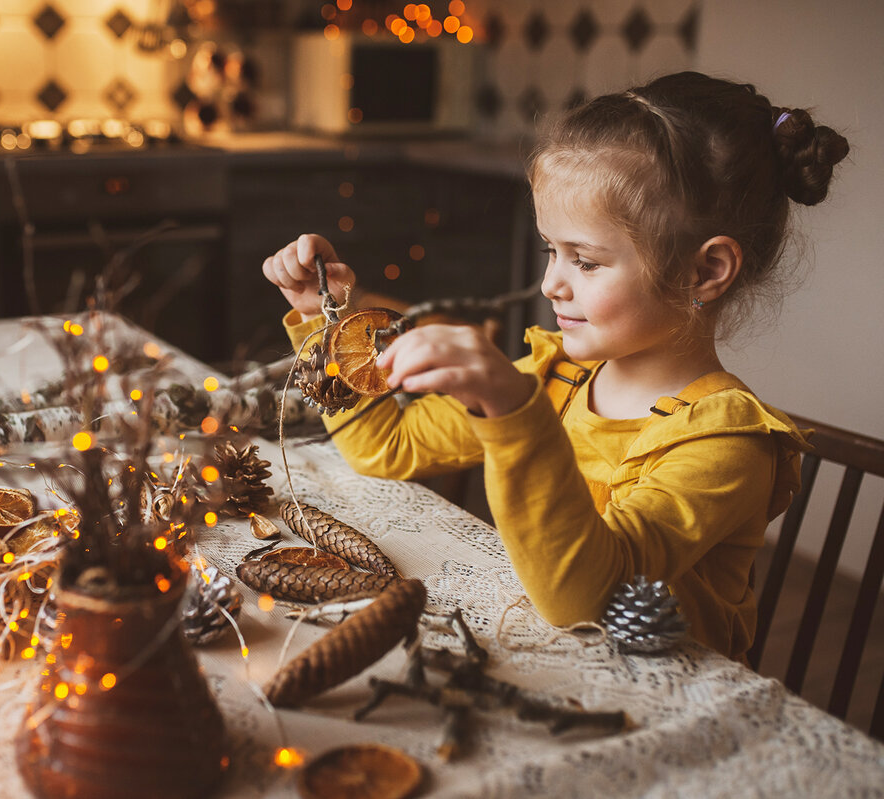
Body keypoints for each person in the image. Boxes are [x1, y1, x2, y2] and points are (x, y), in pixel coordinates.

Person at [262, 71, 850, 661]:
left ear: (704, 272)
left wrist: (513, 413)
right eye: (552, 250)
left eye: (586, 262)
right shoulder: (557, 378)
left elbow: (585, 597)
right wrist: (328, 321)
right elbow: (384, 446)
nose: (551, 284)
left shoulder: (726, 444)